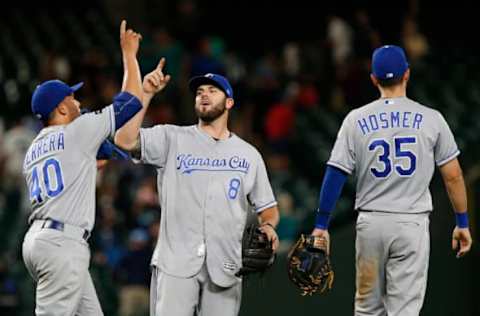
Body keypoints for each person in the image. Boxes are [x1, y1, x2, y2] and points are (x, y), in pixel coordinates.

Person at [310, 45, 472, 316]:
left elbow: (336, 172)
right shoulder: (432, 119)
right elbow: (453, 176)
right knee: (404, 311)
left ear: (373, 79)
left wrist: (321, 225)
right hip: (411, 223)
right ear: (407, 74)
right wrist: (462, 222)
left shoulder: (355, 119)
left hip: (371, 225)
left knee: (366, 310)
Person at [114, 71, 280, 316]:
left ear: (229, 102)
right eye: (200, 92)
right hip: (175, 264)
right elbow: (124, 140)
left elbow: (269, 210)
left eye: (212, 91)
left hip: (225, 265)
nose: (204, 95)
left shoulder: (249, 155)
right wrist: (146, 94)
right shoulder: (172, 137)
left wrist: (268, 227)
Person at [21, 20, 144, 316]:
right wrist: (129, 54)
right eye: (71, 98)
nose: (77, 102)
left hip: (42, 242)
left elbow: (96, 160)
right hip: (62, 243)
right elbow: (131, 102)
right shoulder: (75, 133)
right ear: (61, 109)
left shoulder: (34, 149)